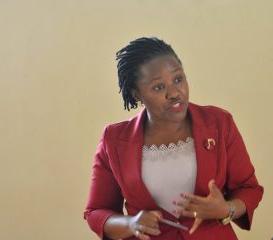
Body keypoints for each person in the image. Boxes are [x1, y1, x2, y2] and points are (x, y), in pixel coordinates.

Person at [84, 37, 263, 240]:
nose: (175, 93)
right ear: (137, 95)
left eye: (178, 79)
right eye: (159, 87)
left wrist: (225, 210)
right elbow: (96, 212)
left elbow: (249, 189)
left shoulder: (219, 123)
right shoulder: (114, 139)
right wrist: (131, 223)